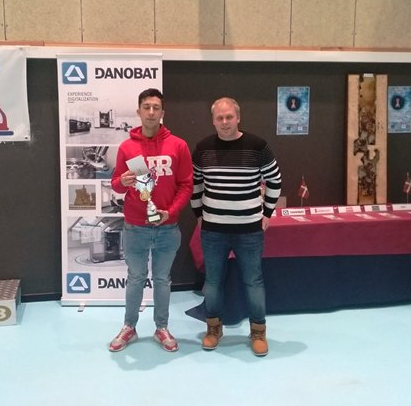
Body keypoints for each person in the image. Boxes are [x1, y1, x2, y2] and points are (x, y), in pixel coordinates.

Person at [191, 97, 282, 356]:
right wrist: (199, 214)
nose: (225, 122)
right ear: (213, 121)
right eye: (219, 118)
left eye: (229, 116)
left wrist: (267, 213)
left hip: (249, 230)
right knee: (213, 282)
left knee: (254, 281)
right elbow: (196, 184)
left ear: (238, 117)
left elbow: (275, 180)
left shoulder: (258, 147)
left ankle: (258, 332)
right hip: (213, 230)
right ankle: (213, 329)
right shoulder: (203, 148)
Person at [108, 88, 193, 352]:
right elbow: (116, 183)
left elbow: (186, 185)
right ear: (139, 111)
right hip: (135, 226)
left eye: (156, 108)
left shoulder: (178, 145)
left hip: (167, 227)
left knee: (162, 279)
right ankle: (129, 327)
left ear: (162, 112)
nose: (151, 112)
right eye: (147, 107)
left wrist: (172, 211)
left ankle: (161, 327)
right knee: (135, 277)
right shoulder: (127, 147)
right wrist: (122, 181)